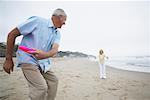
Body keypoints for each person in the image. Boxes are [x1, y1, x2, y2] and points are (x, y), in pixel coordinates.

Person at [3, 8, 67, 100]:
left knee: (54, 81)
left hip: (44, 63)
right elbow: (12, 34)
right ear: (58, 17)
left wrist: (44, 55)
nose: (65, 23)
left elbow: (54, 50)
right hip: (28, 59)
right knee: (41, 88)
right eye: (64, 20)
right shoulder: (37, 21)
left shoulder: (57, 33)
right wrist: (8, 59)